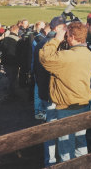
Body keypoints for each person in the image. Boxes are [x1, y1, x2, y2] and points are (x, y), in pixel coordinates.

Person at [40, 21, 91, 164]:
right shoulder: (88, 54)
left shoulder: (67, 57)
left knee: (66, 148)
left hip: (66, 108)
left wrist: (57, 39)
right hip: (83, 105)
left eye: (68, 35)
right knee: (80, 142)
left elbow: (45, 58)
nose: (66, 37)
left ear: (72, 36)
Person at [34, 16, 66, 166]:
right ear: (58, 29)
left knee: (51, 127)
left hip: (45, 92)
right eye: (64, 27)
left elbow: (36, 70)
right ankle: (55, 162)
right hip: (54, 94)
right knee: (56, 128)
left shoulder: (40, 43)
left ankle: (51, 162)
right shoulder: (55, 45)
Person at [0, 25, 21, 100]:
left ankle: (9, 91)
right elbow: (19, 52)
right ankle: (11, 94)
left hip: (5, 61)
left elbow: (1, 49)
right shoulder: (18, 39)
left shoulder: (5, 39)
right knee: (13, 78)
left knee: (9, 77)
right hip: (14, 61)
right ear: (17, 30)